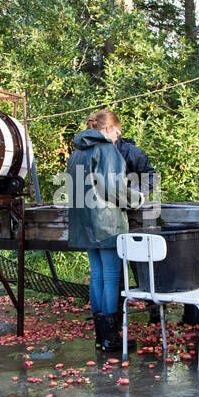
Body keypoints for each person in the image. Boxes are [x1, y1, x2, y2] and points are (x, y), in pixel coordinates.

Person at [66, 109, 143, 350]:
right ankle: (111, 338)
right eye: (117, 133)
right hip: (106, 224)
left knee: (97, 276)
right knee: (110, 278)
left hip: (85, 225)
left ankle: (101, 337)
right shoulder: (107, 150)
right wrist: (136, 198)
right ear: (108, 129)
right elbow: (112, 188)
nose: (118, 138)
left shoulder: (77, 153)